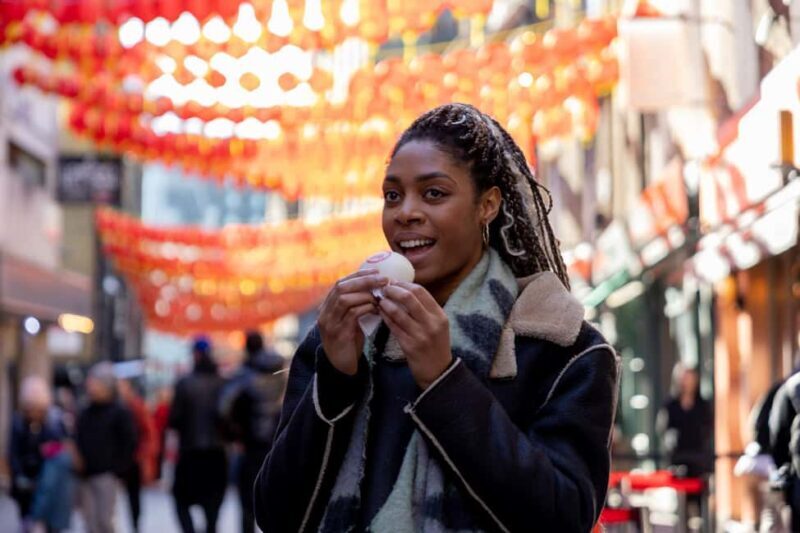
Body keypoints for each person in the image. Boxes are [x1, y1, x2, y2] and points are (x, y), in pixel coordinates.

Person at [254, 103, 620, 532]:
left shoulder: (565, 348)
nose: (405, 211)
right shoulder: (343, 337)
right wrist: (335, 380)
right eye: (392, 195)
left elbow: (564, 518)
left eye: (434, 193)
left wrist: (445, 382)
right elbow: (276, 515)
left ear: (487, 205)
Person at [218, 331, 286, 533]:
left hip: (249, 446)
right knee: (275, 500)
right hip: (277, 442)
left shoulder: (244, 376)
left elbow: (224, 407)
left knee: (247, 502)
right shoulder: (279, 372)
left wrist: (232, 435)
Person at [169, 337, 228, 533]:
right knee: (212, 507)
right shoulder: (223, 383)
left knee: (181, 501)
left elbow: (174, 420)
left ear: (196, 355)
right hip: (216, 454)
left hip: (190, 453)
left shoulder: (184, 384)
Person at [75, 362, 137, 533]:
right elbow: (78, 438)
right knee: (90, 520)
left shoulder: (119, 412)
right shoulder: (86, 411)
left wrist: (119, 468)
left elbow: (129, 441)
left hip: (107, 473)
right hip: (86, 473)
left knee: (104, 519)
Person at [8, 376, 70, 531]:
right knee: (27, 519)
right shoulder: (19, 423)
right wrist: (19, 475)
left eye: (37, 409)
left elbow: (61, 449)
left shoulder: (53, 424)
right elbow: (13, 452)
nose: (33, 412)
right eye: (30, 408)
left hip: (47, 479)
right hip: (25, 480)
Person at [656, 364, 714, 477]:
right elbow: (663, 429)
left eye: (689, 378)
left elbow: (707, 429)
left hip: (699, 458)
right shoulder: (670, 405)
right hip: (677, 458)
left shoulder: (702, 405)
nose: (686, 382)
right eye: (683, 378)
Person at [118, 379, 158, 533]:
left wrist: (143, 454)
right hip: (120, 458)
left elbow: (149, 432)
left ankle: (135, 525)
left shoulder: (136, 406)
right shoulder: (118, 406)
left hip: (133, 458)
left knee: (133, 496)